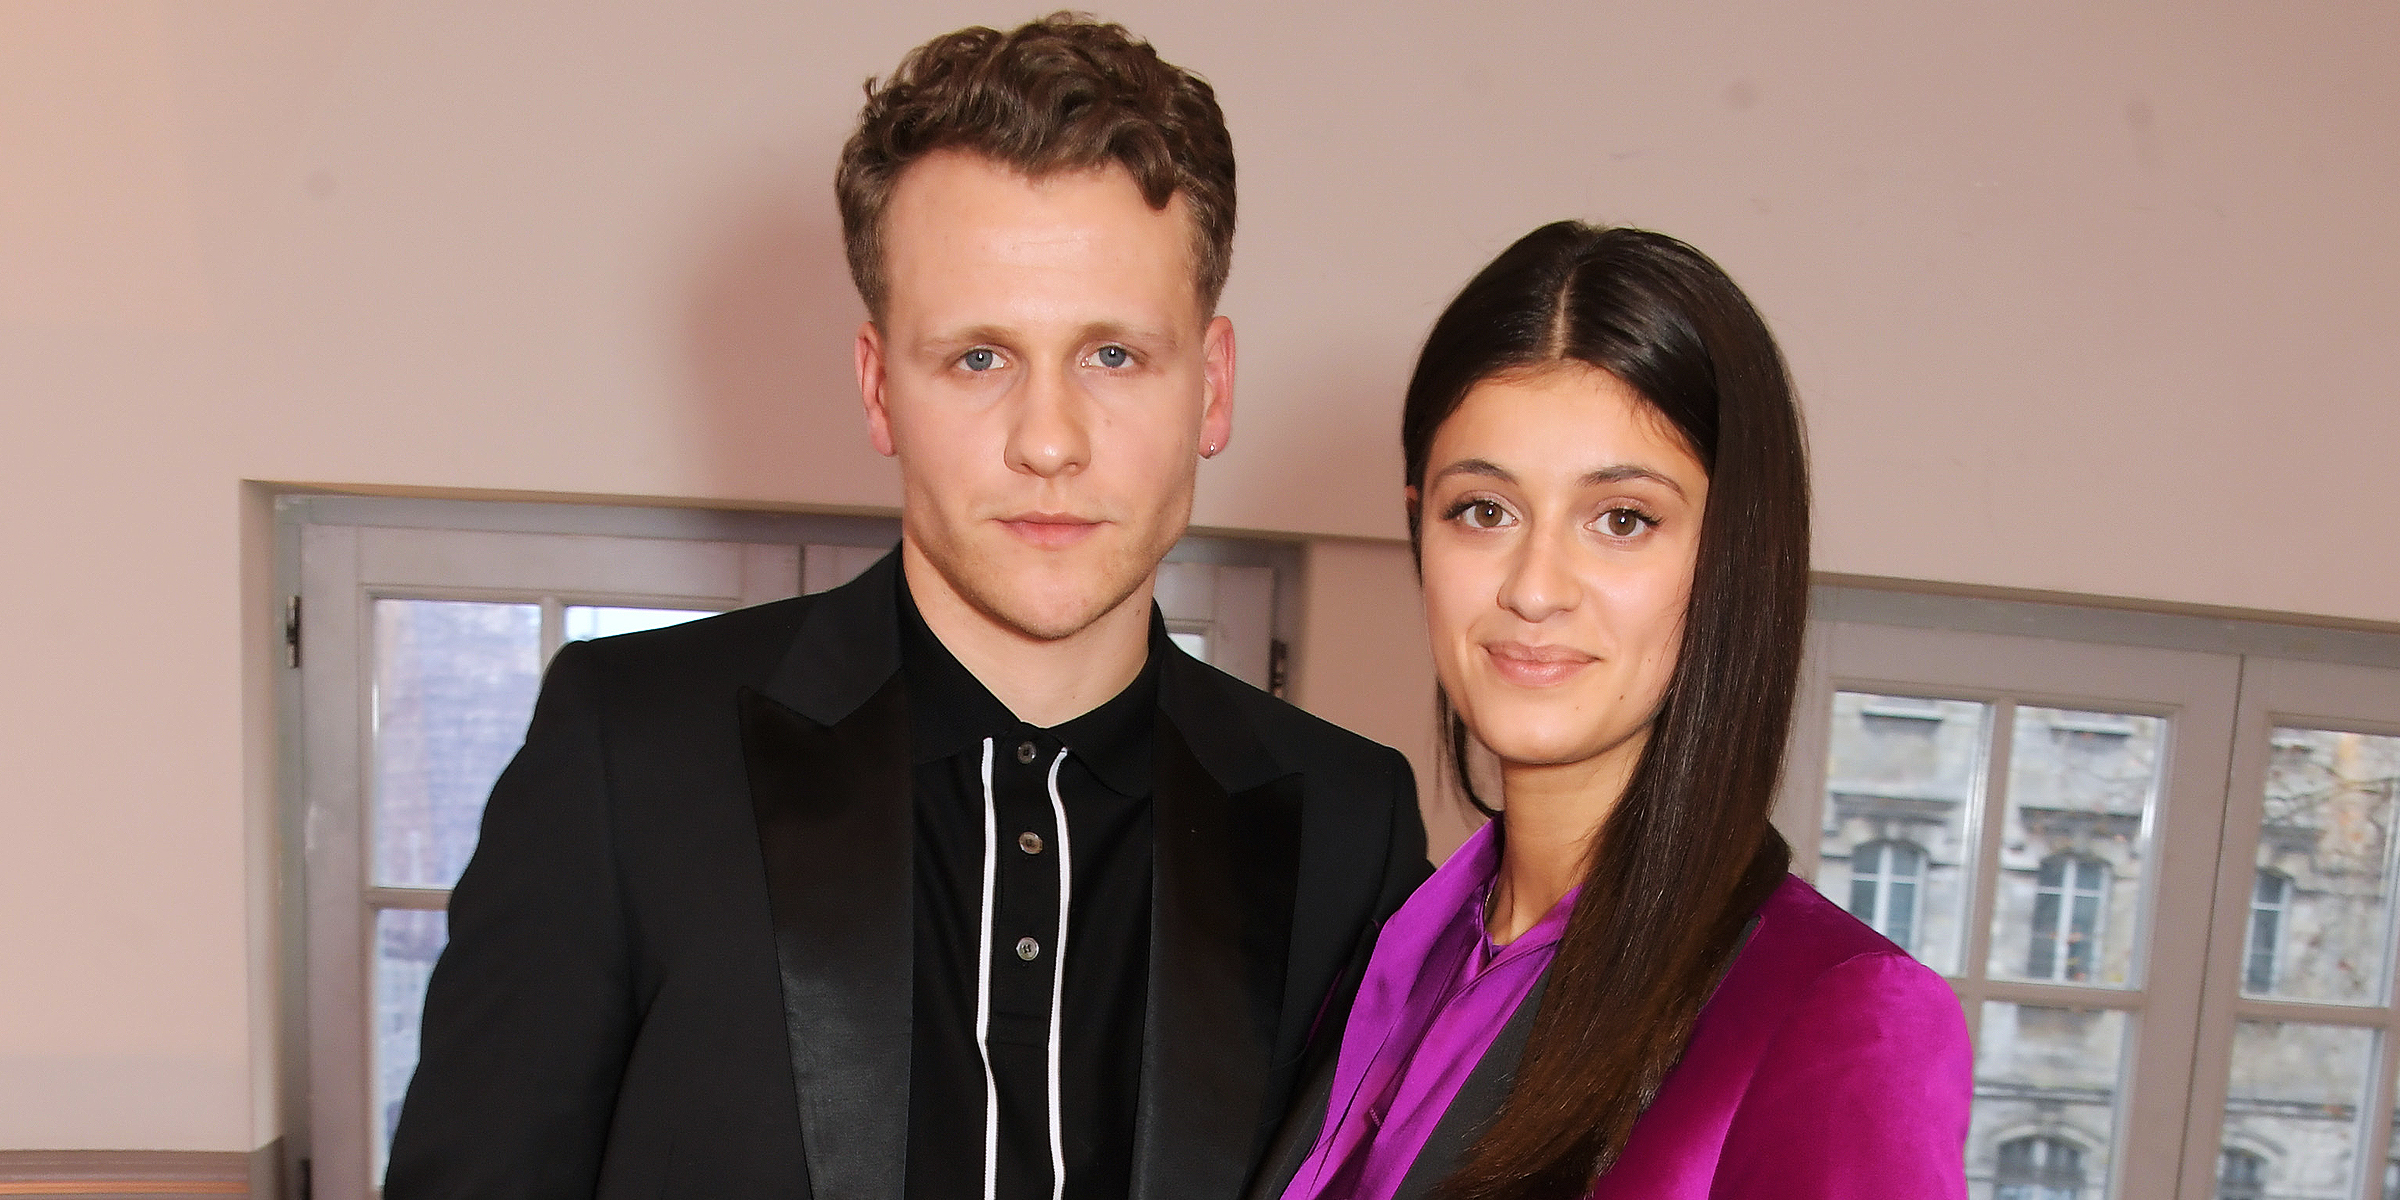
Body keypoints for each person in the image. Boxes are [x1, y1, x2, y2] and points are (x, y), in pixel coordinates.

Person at [385, 15, 1428, 1200]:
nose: (1049, 441)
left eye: (1114, 358)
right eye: (980, 358)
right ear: (882, 389)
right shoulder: (629, 756)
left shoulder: (1352, 831)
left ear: (1214, 386)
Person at [1245, 223, 1972, 1200]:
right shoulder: (1395, 959)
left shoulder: (1839, 1014)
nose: (1535, 587)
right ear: (1419, 526)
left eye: (1622, 519)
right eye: (1484, 511)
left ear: (1731, 556)